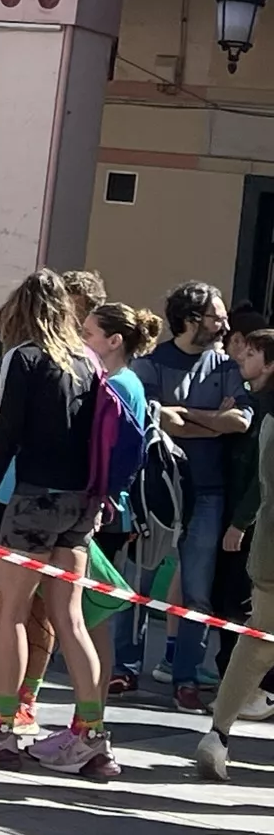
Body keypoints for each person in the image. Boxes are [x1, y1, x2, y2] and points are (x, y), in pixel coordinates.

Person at [0, 270, 118, 777]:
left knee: (14, 611)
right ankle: (91, 733)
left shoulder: (25, 359)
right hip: (79, 503)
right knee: (70, 617)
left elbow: (6, 438)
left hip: (33, 498)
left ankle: (1, 726)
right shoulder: (89, 361)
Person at [126, 280, 249, 708]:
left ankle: (186, 677)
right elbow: (157, 420)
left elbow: (240, 422)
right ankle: (126, 668)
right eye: (217, 317)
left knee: (197, 588)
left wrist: (192, 417)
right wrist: (213, 417)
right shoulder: (151, 363)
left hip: (208, 491)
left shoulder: (226, 366)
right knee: (138, 580)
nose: (224, 324)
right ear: (191, 320)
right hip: (157, 488)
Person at [197, 325, 274, 779]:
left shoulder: (265, 413)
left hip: (267, 549)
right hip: (267, 545)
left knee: (257, 639)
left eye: (251, 358)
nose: (243, 370)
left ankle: (219, 732)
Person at [82, 300, 164, 695]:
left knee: (94, 614)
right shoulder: (123, 382)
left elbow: (119, 453)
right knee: (88, 613)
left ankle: (91, 714)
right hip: (111, 508)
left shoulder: (116, 386)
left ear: (114, 341)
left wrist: (104, 498)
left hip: (109, 511)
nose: (81, 342)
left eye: (88, 335)